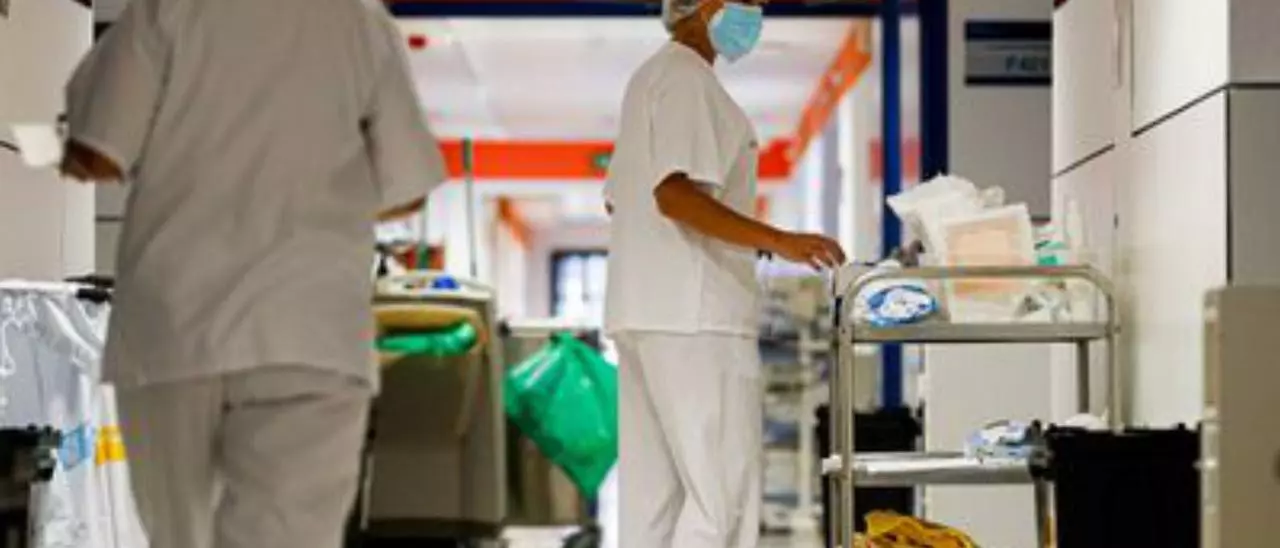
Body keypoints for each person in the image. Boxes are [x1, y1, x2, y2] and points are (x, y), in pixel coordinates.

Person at [58, 0, 448, 546]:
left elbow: (97, 151)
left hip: (180, 326)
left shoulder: (167, 9)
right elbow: (408, 186)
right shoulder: (360, 21)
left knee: (184, 536)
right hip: (311, 332)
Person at [602, 1, 847, 547]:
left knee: (653, 502)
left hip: (644, 313)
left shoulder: (649, 78)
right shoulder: (688, 78)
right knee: (720, 496)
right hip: (696, 317)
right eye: (748, 0)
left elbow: (619, 200)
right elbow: (674, 195)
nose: (754, 14)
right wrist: (780, 241)